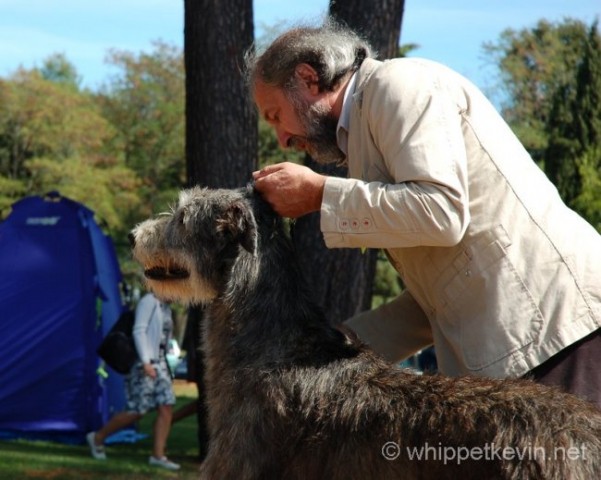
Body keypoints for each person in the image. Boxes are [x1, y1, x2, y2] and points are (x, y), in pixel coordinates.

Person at [247, 19, 601, 407]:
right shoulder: (368, 124)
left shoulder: (399, 84)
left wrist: (320, 194)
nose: (282, 139)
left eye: (275, 115)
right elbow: (439, 295)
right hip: (532, 342)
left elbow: (441, 212)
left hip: (560, 332)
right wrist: (335, 346)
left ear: (308, 78)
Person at [86, 292, 180, 470]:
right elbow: (139, 330)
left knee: (166, 406)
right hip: (144, 363)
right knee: (137, 409)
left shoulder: (165, 306)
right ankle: (98, 437)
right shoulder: (149, 301)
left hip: (160, 364)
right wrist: (145, 361)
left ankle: (158, 455)